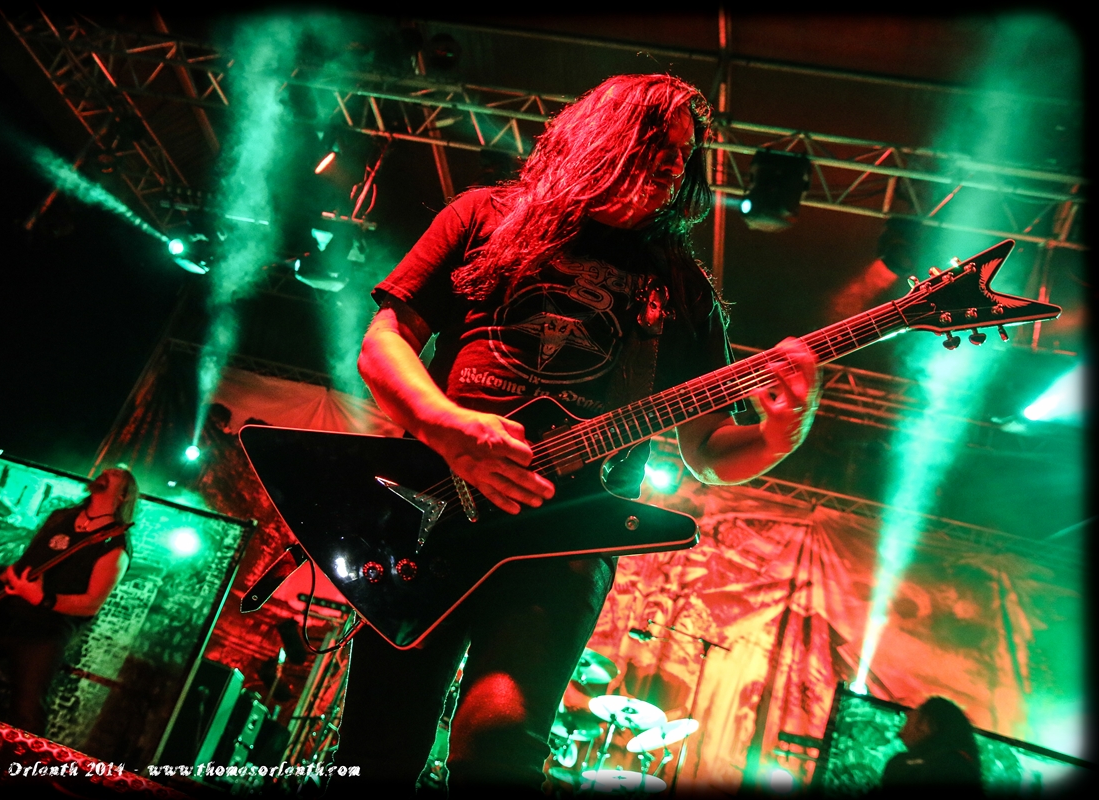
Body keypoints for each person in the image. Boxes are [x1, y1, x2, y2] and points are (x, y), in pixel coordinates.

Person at [335, 73, 820, 794]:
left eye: (685, 153)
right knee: (377, 743)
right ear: (601, 135)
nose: (674, 163)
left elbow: (709, 451)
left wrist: (781, 435)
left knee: (502, 743)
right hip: (429, 512)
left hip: (566, 543)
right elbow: (383, 345)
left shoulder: (682, 288)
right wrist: (448, 426)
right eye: (657, 143)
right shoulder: (485, 215)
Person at [0, 467, 137, 736]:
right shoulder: (62, 517)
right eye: (105, 470)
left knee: (27, 713)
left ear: (124, 495)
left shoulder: (116, 543)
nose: (106, 473)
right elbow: (25, 564)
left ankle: (23, 762)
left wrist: (43, 599)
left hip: (45, 632)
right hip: (5, 615)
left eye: (114, 475)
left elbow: (91, 603)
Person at [880, 696, 984, 792]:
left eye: (907, 724)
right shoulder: (962, 765)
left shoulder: (951, 766)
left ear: (927, 724)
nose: (900, 734)